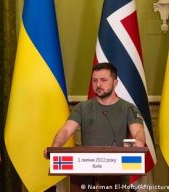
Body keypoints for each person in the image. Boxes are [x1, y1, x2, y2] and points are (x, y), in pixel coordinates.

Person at [45, 62, 145, 191]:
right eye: (95, 80)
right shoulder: (82, 107)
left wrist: (139, 141)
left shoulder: (128, 108)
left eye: (103, 80)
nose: (98, 85)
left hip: (117, 171)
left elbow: (138, 131)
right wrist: (55, 147)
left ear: (115, 83)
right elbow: (66, 130)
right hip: (84, 171)